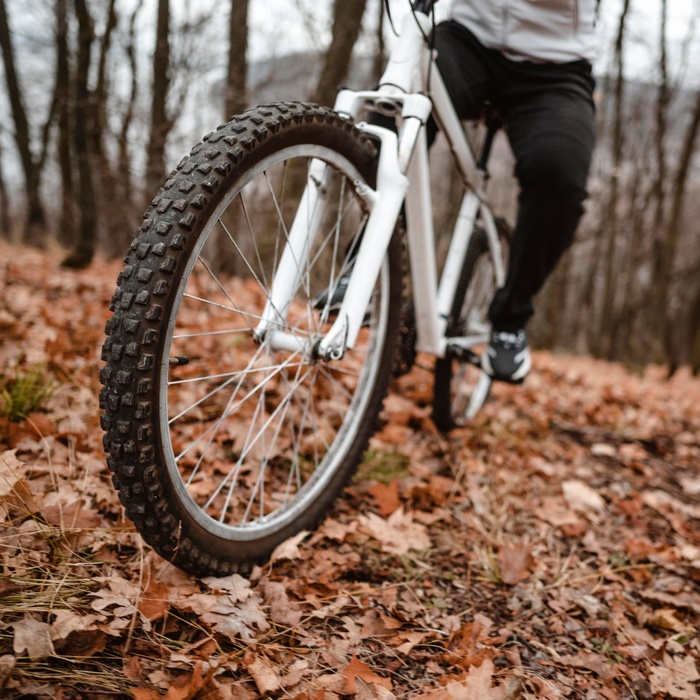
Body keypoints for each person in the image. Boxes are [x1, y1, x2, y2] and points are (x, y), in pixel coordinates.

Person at [438, 0, 597, 383]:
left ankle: (511, 315)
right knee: (396, 97)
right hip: (467, 40)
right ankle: (365, 259)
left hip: (555, 65)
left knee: (559, 174)